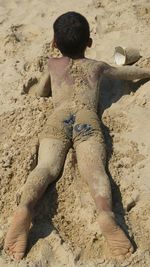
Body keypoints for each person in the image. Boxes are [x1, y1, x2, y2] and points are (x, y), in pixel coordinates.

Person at [4, 11, 150, 261]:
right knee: (94, 170)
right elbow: (132, 74)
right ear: (89, 42)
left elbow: (40, 92)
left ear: (54, 43)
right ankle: (105, 214)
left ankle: (24, 208)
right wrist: (144, 69)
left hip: (58, 118)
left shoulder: (52, 64)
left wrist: (40, 88)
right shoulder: (98, 66)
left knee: (46, 168)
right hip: (86, 119)